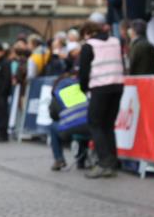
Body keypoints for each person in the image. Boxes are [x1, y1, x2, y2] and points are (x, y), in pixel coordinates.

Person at [78, 20, 125, 178]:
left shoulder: (89, 45)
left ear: (87, 33)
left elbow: (83, 73)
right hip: (118, 86)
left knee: (95, 124)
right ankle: (113, 162)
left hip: (99, 87)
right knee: (108, 126)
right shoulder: (115, 41)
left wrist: (83, 89)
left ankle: (104, 163)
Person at [48, 69, 91, 171]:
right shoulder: (81, 90)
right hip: (89, 129)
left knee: (53, 126)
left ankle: (59, 159)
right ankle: (81, 162)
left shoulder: (58, 94)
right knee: (81, 123)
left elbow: (53, 116)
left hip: (69, 130)